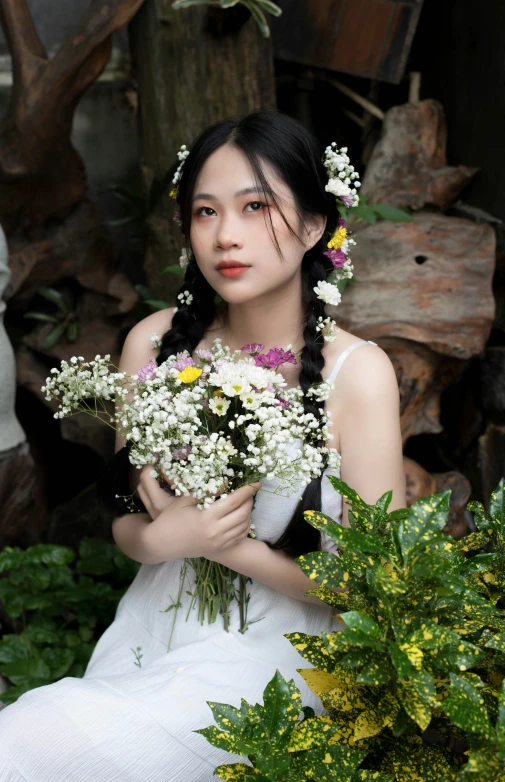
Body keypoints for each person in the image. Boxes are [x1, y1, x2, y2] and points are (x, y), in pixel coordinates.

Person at [0, 109, 406, 780]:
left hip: (282, 660)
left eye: (255, 207)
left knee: (22, 742)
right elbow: (126, 519)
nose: (228, 235)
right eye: (206, 212)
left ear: (313, 225)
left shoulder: (356, 375)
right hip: (152, 630)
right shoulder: (155, 346)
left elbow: (372, 589)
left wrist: (231, 547)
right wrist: (164, 542)